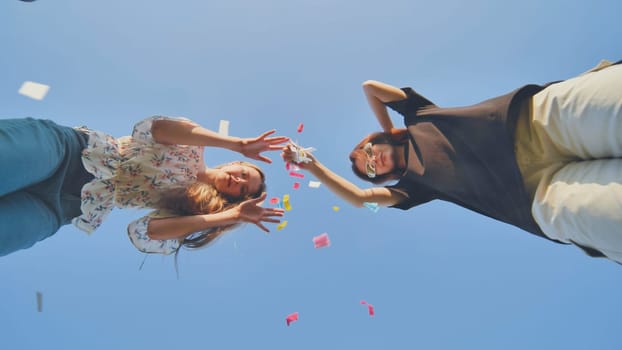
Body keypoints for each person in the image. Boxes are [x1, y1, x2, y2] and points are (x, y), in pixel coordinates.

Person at [282, 59, 622, 264]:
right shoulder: (412, 187)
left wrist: (388, 129)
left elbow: (369, 87)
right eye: (370, 168)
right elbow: (359, 199)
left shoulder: (418, 116)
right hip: (538, 198)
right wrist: (311, 166)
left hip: (539, 122)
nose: (374, 159)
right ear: (380, 177)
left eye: (368, 151)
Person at [0, 116, 288, 256]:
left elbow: (145, 231)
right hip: (69, 154)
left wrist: (231, 217)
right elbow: (157, 128)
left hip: (64, 206)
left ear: (234, 198)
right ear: (230, 164)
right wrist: (236, 144)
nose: (237, 180)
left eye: (242, 188)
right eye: (242, 173)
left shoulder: (188, 207)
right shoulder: (193, 146)